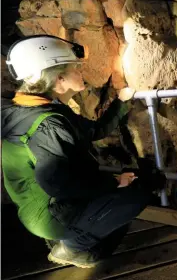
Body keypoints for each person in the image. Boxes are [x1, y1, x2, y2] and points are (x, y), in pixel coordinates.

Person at [1, 35, 164, 268]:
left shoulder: (34, 109)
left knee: (133, 186)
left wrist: (121, 102)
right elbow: (59, 184)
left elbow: (94, 131)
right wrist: (114, 182)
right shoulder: (47, 123)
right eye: (76, 69)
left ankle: (71, 238)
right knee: (137, 194)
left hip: (44, 208)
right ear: (59, 79)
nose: (82, 74)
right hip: (51, 213)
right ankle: (73, 247)